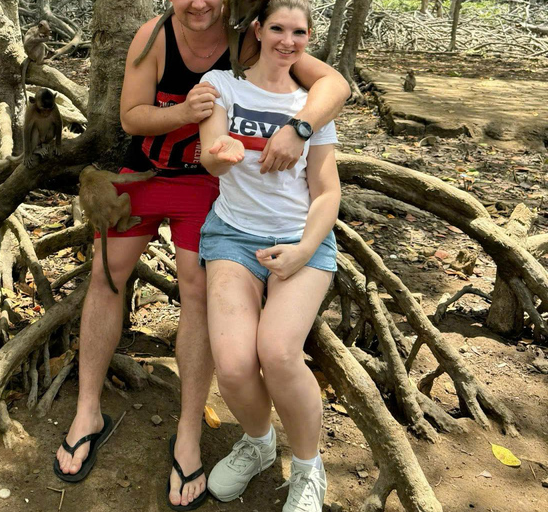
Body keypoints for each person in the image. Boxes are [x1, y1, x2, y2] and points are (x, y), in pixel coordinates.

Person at [54, 1, 349, 510]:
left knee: (194, 286)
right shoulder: (154, 36)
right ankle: (87, 411)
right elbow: (130, 117)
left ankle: (189, 435)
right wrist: (186, 116)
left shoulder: (253, 39)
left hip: (204, 189)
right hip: (143, 175)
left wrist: (299, 128)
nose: (198, 4)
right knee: (107, 277)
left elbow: (334, 86)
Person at [197, 1, 339, 510]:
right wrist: (219, 154)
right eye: (277, 28)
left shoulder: (311, 107)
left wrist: (304, 250)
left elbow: (326, 193)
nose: (287, 40)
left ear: (308, 39)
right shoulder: (223, 86)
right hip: (233, 236)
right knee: (233, 365)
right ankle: (258, 444)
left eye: (298, 32)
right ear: (257, 29)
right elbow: (209, 155)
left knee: (278, 354)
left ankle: (307, 467)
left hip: (301, 238)